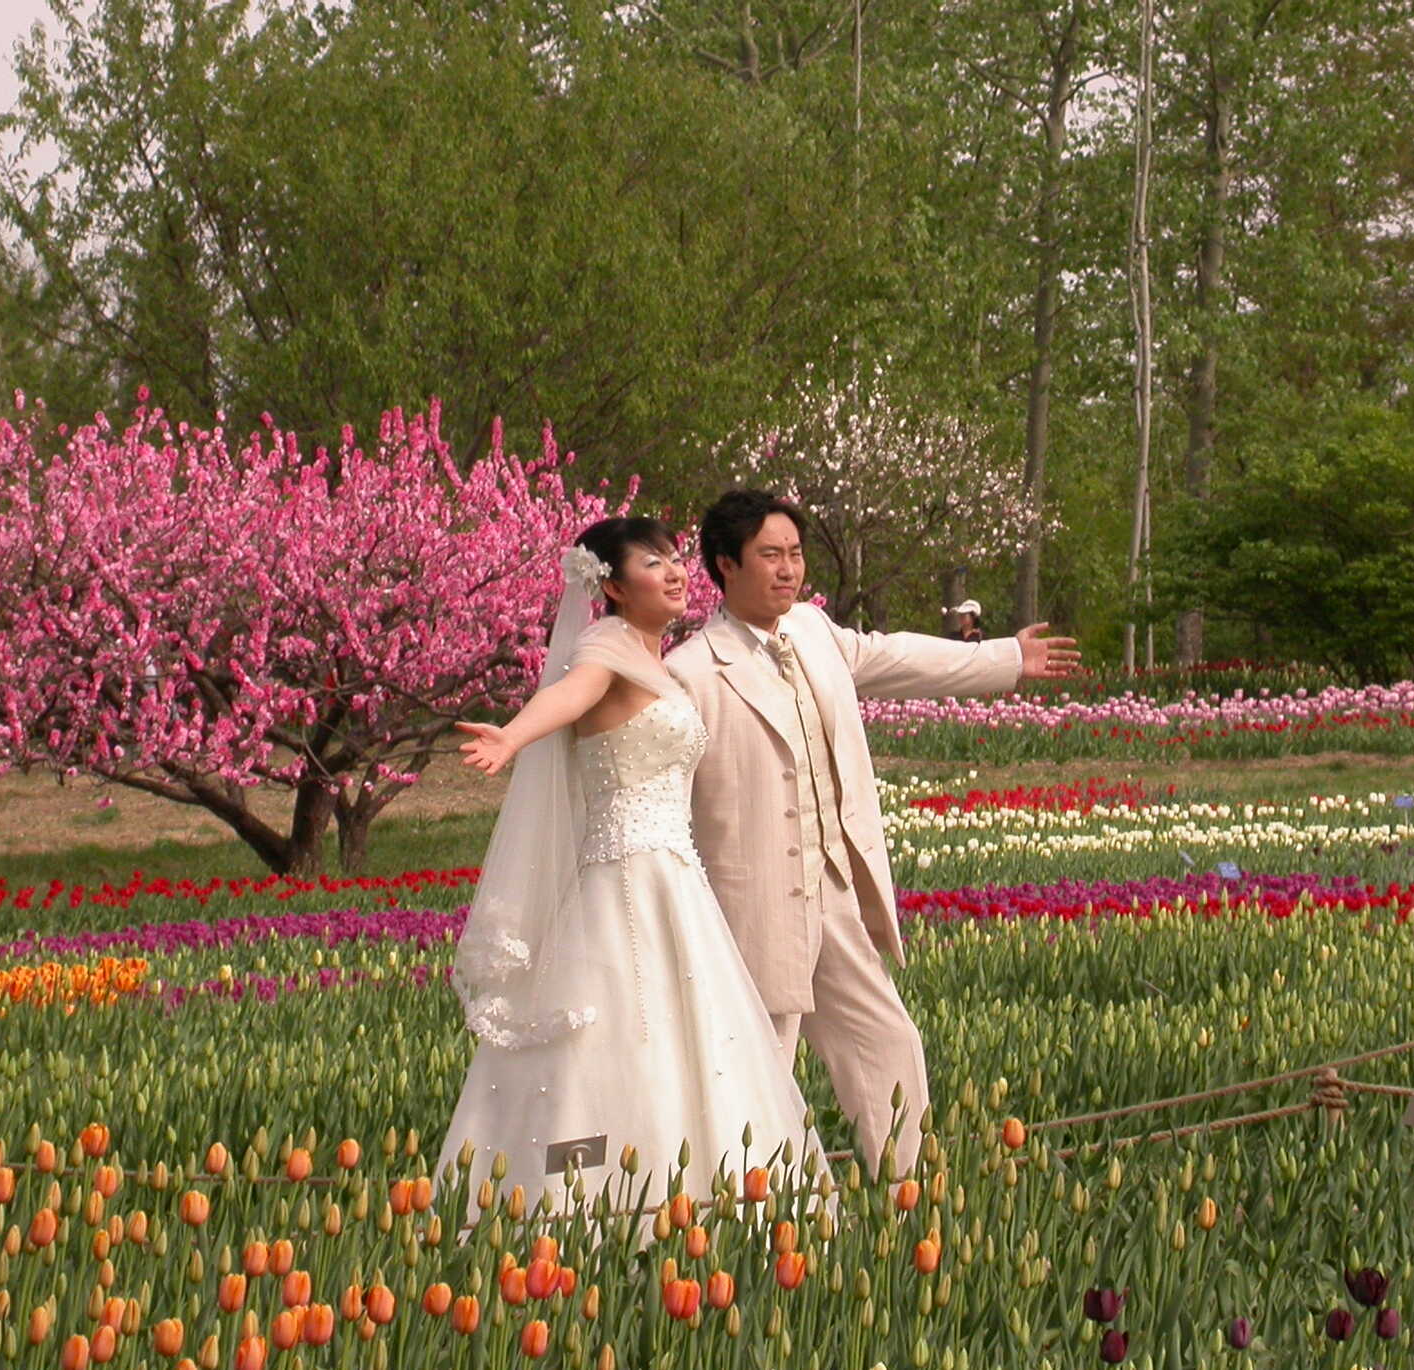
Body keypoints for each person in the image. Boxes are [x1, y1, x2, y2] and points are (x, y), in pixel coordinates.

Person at [665, 490, 1081, 1178]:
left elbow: (898, 657)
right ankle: (750, 1214)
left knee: (886, 1041)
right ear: (724, 565)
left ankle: (906, 1191)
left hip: (831, 888)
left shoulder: (815, 633)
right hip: (752, 904)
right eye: (770, 555)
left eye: (795, 554)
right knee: (760, 1063)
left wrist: (1005, 658)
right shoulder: (691, 674)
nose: (788, 569)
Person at [438, 516, 825, 1220]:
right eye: (654, 562)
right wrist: (515, 734)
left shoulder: (659, 662)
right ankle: (597, 1203)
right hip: (625, 882)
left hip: (677, 881)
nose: (676, 572)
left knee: (693, 1040)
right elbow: (569, 694)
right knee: (620, 1036)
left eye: (676, 558)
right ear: (611, 586)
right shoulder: (605, 646)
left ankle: (698, 1197)